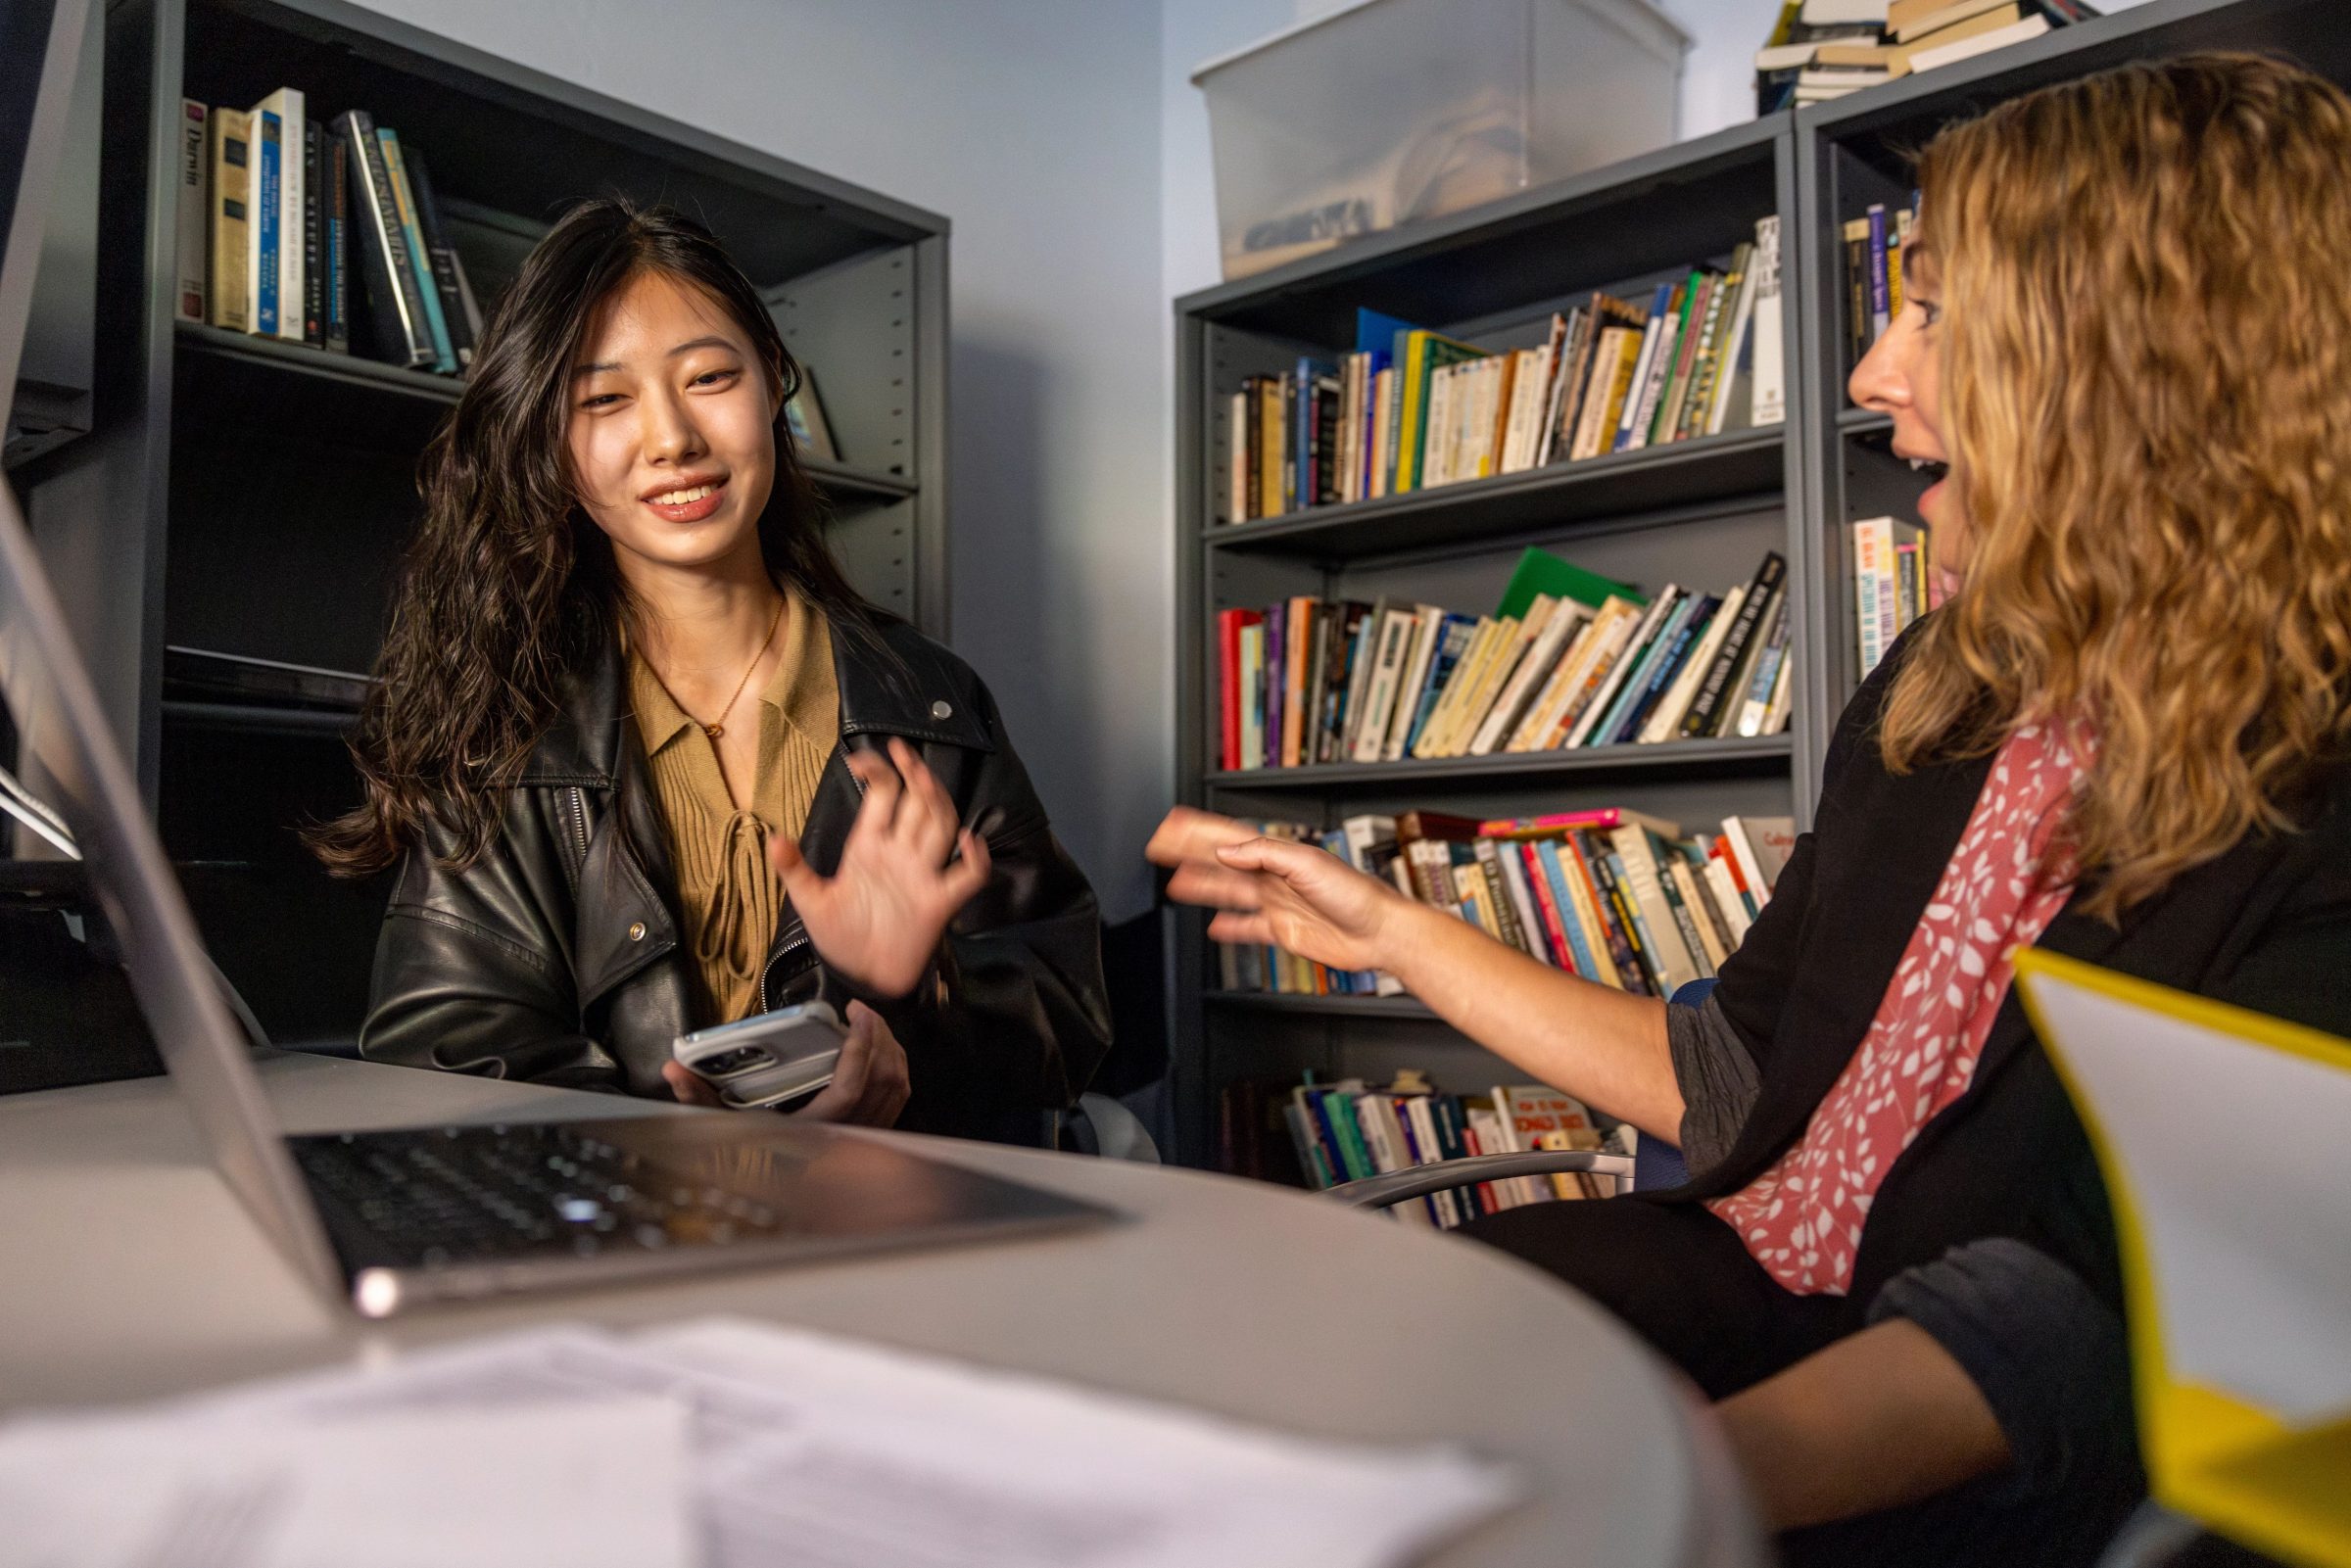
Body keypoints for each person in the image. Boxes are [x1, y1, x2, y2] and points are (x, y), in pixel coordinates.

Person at [1149, 52, 2351, 1564]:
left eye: (1934, 312)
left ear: (2144, 362)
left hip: (1977, 1444)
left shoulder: (2322, 778)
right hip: (1746, 1287)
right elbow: (1744, 1081)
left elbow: (2085, 1314)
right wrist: (1396, 933)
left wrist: (1660, 1478)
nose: (1869, 376)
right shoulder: (1943, 686)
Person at [312, 199, 1111, 1144]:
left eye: (710, 377)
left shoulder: (929, 700)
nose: (672, 439)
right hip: (623, 1254)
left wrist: (916, 991)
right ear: (550, 442)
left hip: (891, 1228)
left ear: (774, 379)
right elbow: (439, 1051)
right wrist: (687, 1145)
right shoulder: (506, 711)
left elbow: (1069, 1020)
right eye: (603, 399)